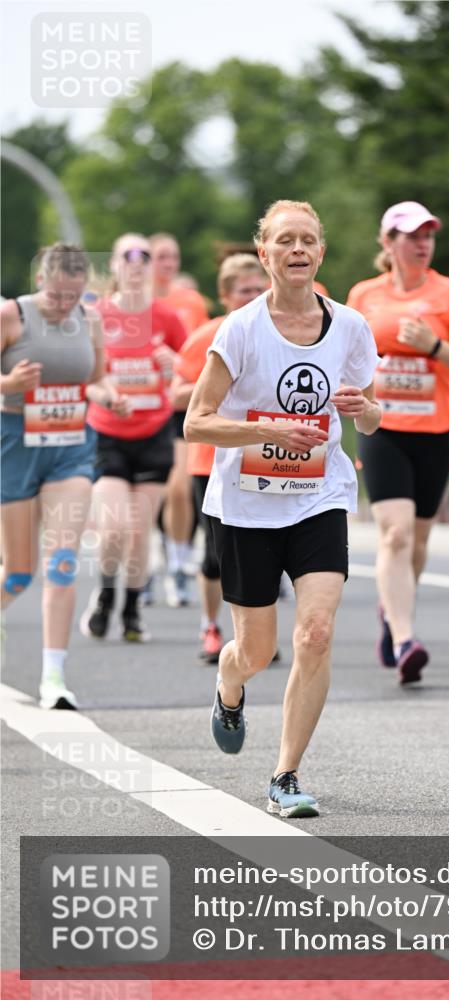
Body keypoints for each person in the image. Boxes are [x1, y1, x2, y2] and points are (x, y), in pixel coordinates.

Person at [185, 199, 380, 817]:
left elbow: (372, 418)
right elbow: (197, 423)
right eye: (285, 240)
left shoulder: (350, 327)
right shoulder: (240, 329)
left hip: (320, 496)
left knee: (316, 633)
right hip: (246, 506)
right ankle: (230, 682)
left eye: (308, 240)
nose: (298, 249)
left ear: (321, 251)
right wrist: (264, 433)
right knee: (257, 651)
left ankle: (286, 775)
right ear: (264, 252)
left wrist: (365, 410)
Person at [347, 201, 449, 684]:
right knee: (395, 533)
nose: (423, 243)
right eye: (412, 236)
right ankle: (406, 639)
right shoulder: (364, 295)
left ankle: (393, 609)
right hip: (382, 428)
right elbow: (345, 357)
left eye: (429, 235)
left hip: (435, 431)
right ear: (388, 243)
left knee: (419, 540)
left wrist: (433, 346)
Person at [0, 243, 130, 709]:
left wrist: (110, 396)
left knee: (61, 561)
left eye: (73, 296)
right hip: (14, 444)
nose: (63, 305)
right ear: (40, 282)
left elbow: (96, 379)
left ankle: (53, 677)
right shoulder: (11, 316)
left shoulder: (89, 319)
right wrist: (10, 384)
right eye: (56, 295)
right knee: (18, 573)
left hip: (69, 448)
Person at [80, 233, 187, 642]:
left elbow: (194, 371)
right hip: (108, 434)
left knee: (140, 531)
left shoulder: (167, 317)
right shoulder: (96, 316)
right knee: (113, 528)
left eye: (145, 256)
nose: (137, 263)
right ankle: (106, 595)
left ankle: (131, 608)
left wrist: (173, 366)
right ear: (114, 265)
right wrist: (108, 396)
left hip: (154, 434)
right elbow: (85, 379)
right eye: (128, 256)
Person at [171, 254, 269, 663]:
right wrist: (217, 383)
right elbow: (176, 395)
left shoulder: (279, 332)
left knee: (262, 548)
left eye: (258, 289)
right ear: (225, 296)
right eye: (244, 291)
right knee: (216, 553)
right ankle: (211, 626)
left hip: (262, 456)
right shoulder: (210, 336)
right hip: (211, 460)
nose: (253, 296)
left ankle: (256, 635)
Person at [150, 232, 210, 606]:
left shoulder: (190, 302)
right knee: (151, 493)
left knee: (179, 488)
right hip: (140, 408)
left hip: (177, 407)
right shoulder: (130, 304)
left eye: (173, 256)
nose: (168, 263)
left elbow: (199, 351)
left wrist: (178, 363)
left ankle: (177, 564)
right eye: (161, 256)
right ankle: (152, 558)